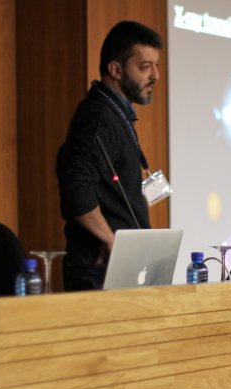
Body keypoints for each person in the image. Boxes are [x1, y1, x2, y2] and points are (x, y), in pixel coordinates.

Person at [56, 21, 162, 291]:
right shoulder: (98, 118)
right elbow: (75, 187)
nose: (156, 75)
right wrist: (111, 240)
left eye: (156, 65)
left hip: (114, 265)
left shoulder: (114, 113)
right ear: (116, 70)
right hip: (101, 267)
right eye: (145, 67)